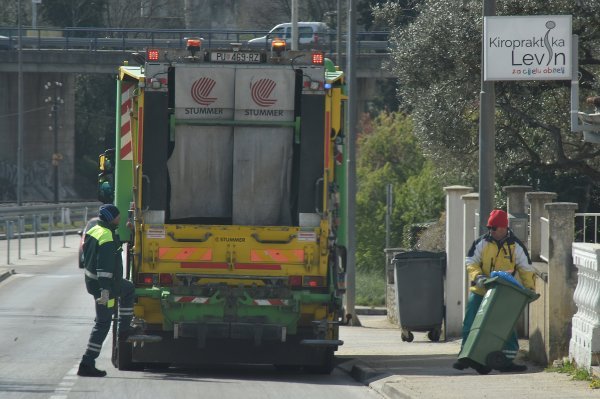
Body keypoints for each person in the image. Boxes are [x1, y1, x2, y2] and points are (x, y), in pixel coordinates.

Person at [452, 209, 536, 372]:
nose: (490, 231)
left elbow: (526, 269)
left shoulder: (516, 246)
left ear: (504, 227)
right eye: (489, 227)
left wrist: (530, 289)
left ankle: (506, 361)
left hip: (504, 294)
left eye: (493, 228)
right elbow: (470, 261)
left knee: (505, 327)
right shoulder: (481, 243)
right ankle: (465, 357)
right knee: (470, 322)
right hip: (481, 290)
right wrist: (478, 277)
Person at [78, 204, 135, 377]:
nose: (119, 218)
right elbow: (104, 267)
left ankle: (123, 330)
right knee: (103, 323)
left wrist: (132, 230)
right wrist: (104, 291)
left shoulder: (97, 230)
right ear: (111, 218)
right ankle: (87, 362)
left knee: (127, 289)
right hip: (106, 287)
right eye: (117, 216)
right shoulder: (107, 236)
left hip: (98, 284)